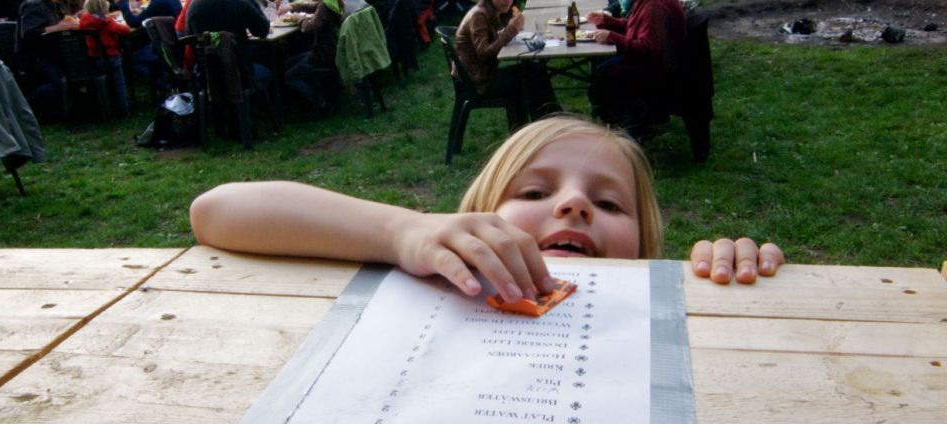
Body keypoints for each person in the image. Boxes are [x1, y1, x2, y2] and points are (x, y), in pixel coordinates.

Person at [190, 116, 784, 304]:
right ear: (473, 218)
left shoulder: (653, 298)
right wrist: (402, 232)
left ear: (646, 243)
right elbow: (216, 210)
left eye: (607, 202)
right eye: (532, 193)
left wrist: (727, 277)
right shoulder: (442, 267)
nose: (574, 204)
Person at [586, 0, 685, 134]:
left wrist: (612, 37)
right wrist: (608, 22)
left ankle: (622, 130)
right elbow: (636, 27)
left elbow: (648, 48)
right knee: (602, 69)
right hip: (653, 63)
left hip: (655, 72)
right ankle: (623, 123)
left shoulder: (654, 6)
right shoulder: (646, 4)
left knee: (602, 78)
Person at [455, 0, 557, 121]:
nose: (507, 1)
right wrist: (511, 30)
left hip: (483, 75)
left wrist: (512, 27)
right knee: (532, 74)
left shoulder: (493, 11)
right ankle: (548, 121)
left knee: (533, 70)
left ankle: (546, 120)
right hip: (477, 82)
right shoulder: (478, 15)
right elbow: (484, 53)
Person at [18, 0, 80, 118]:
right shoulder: (33, 5)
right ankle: (22, 107)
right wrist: (58, 27)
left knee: (73, 74)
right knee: (60, 83)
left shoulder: (53, 5)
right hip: (35, 57)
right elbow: (29, 33)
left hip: (51, 54)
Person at [279, 0, 343, 113]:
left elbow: (309, 28)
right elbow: (311, 6)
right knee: (290, 62)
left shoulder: (324, 7)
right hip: (332, 50)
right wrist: (292, 6)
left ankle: (321, 103)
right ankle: (303, 100)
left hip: (323, 55)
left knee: (290, 75)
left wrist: (299, 18)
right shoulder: (332, 3)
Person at [78, 0, 131, 116]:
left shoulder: (84, 20)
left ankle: (105, 106)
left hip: (94, 57)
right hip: (111, 56)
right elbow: (125, 30)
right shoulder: (107, 22)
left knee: (103, 82)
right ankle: (123, 108)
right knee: (119, 82)